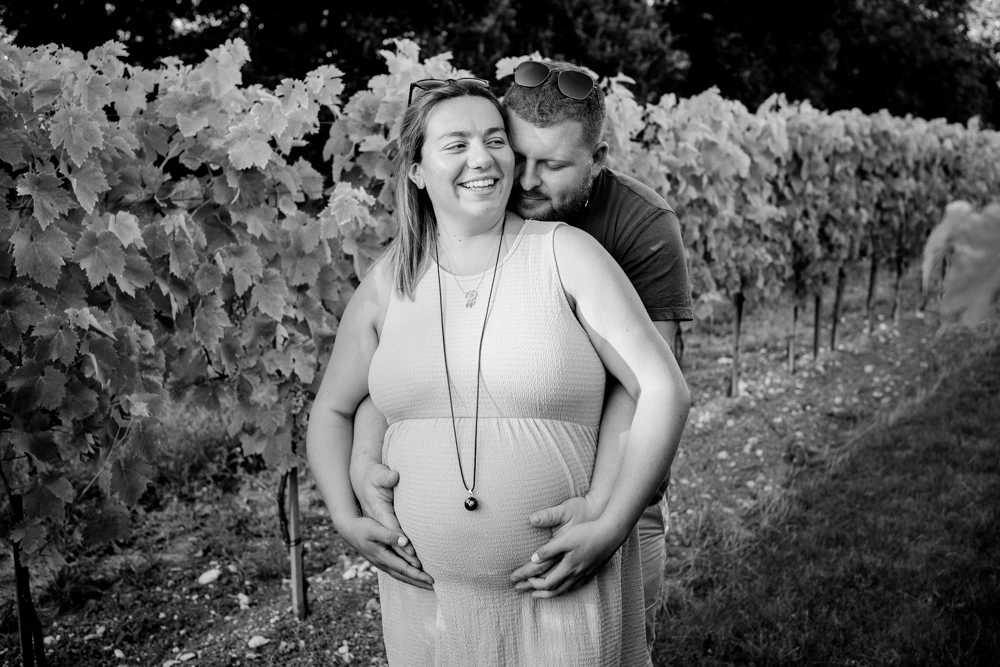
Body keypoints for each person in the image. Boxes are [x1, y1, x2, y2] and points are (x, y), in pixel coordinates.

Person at [306, 78, 690, 665]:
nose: (483, 157)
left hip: (560, 595)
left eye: (493, 140)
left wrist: (611, 522)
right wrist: (343, 513)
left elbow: (659, 387)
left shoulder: (573, 251)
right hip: (429, 606)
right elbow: (336, 407)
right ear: (415, 170)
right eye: (455, 144)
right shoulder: (389, 281)